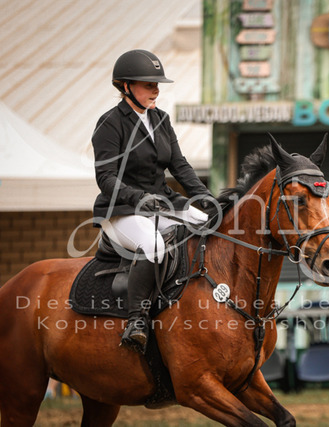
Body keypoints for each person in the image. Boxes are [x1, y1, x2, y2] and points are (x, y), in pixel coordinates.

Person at [92, 49, 216, 354]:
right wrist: (137, 197)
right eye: (149, 84)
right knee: (154, 245)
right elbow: (105, 177)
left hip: (161, 203)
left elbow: (179, 165)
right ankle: (136, 319)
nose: (156, 90)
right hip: (122, 210)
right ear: (126, 86)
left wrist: (206, 198)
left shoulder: (161, 119)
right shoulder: (110, 123)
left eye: (157, 84)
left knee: (208, 225)